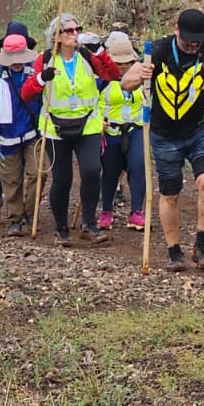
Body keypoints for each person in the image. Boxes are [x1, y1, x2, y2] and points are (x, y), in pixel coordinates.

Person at [122, 8, 204, 272]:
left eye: (197, 40)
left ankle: (202, 244)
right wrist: (139, 75)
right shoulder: (157, 51)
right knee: (170, 193)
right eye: (188, 40)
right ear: (176, 31)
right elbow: (125, 83)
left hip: (199, 130)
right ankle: (173, 250)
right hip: (164, 134)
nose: (193, 45)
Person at [22, 14, 124, 245]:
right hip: (55, 128)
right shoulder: (44, 59)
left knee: (91, 171)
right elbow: (26, 93)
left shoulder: (87, 56)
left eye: (78, 29)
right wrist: (42, 78)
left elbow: (113, 74)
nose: (75, 33)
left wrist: (100, 51)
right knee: (62, 178)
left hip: (88, 124)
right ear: (57, 36)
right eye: (69, 30)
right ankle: (61, 229)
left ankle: (89, 224)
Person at [0, 29, 42, 236]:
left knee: (38, 172)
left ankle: (31, 213)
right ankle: (15, 218)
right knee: (11, 179)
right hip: (6, 136)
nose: (17, 63)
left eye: (20, 58)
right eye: (12, 59)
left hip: (32, 133)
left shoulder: (33, 70)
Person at [97, 31, 148, 232]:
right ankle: (106, 211)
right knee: (110, 171)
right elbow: (91, 102)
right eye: (119, 62)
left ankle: (137, 212)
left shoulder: (141, 77)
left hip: (135, 128)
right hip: (111, 130)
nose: (123, 66)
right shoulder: (101, 79)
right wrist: (98, 121)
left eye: (127, 62)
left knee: (138, 166)